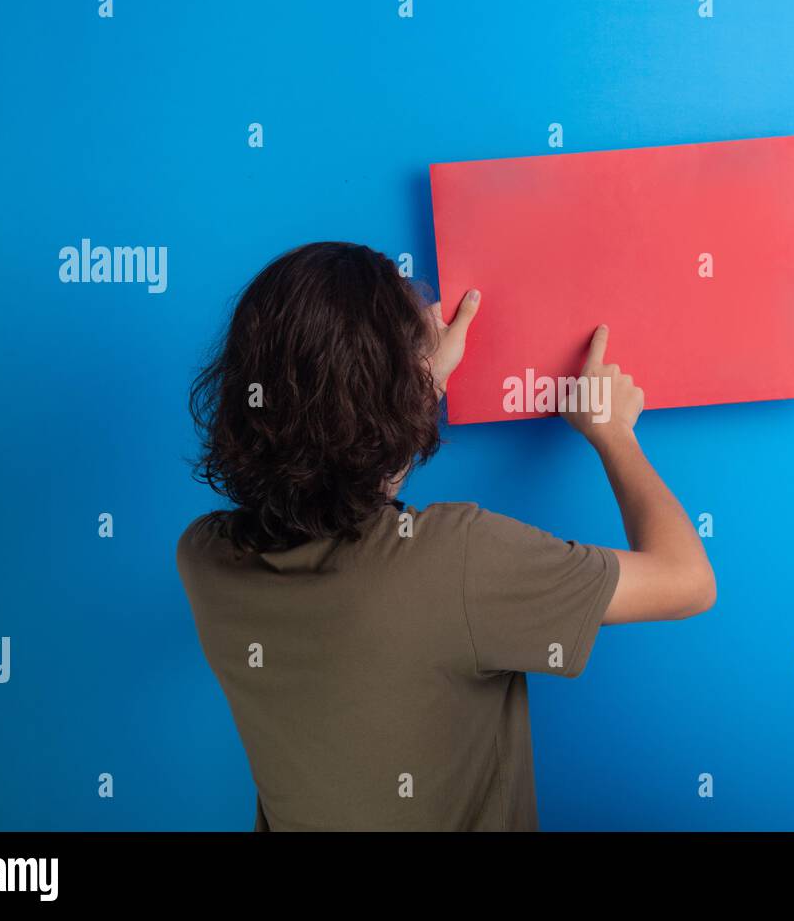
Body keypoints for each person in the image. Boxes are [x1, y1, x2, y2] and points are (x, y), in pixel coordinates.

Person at [176, 242, 715, 830]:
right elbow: (688, 580)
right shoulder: (457, 561)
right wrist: (614, 433)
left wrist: (408, 386)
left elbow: (327, 464)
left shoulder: (204, 557)